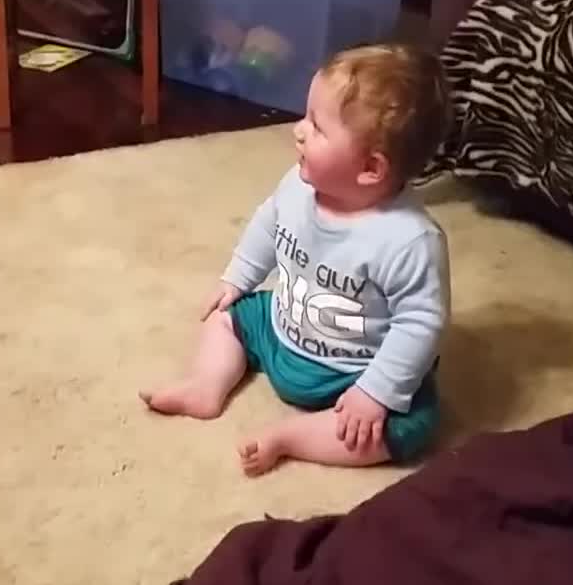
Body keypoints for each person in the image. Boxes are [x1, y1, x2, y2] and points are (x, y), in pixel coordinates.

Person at [140, 43, 452, 476]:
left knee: (412, 423)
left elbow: (421, 324)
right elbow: (267, 226)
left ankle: (291, 438)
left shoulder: (409, 240)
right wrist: (238, 279)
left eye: (317, 127)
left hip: (352, 372)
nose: (298, 131)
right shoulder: (296, 187)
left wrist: (376, 393)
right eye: (306, 116)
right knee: (228, 315)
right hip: (284, 325)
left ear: (370, 168)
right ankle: (206, 386)